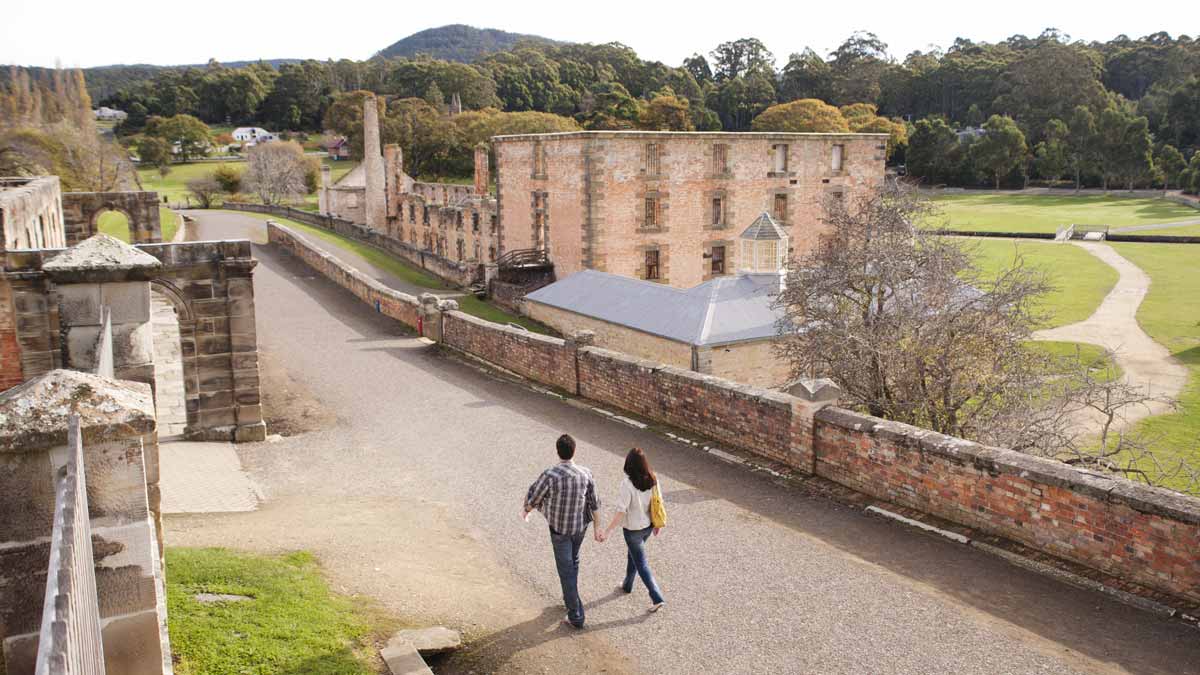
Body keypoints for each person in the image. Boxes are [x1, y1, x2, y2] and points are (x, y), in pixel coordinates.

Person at [524, 434, 602, 629]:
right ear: (574, 451)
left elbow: (534, 496)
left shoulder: (551, 474)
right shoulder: (585, 473)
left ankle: (576, 615)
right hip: (579, 527)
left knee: (566, 570)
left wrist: (526, 510)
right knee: (573, 561)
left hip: (559, 529)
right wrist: (597, 527)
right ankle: (570, 597)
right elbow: (594, 502)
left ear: (558, 452)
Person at [601, 447, 665, 612]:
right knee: (634, 556)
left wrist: (607, 531)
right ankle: (627, 585)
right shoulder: (653, 478)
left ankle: (656, 597)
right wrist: (657, 524)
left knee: (641, 562)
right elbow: (658, 502)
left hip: (633, 530)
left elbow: (621, 510)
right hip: (648, 526)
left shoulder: (627, 484)